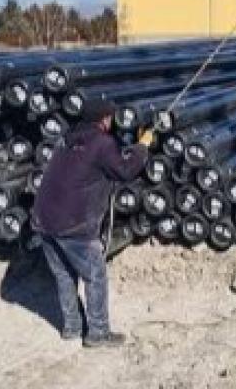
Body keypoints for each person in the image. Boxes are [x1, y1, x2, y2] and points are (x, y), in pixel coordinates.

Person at [31, 97, 149, 348]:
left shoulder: (69, 139)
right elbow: (125, 170)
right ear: (105, 120)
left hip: (42, 218)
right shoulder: (101, 142)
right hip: (72, 224)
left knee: (63, 274)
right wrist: (142, 148)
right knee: (95, 274)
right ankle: (98, 333)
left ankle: (72, 327)